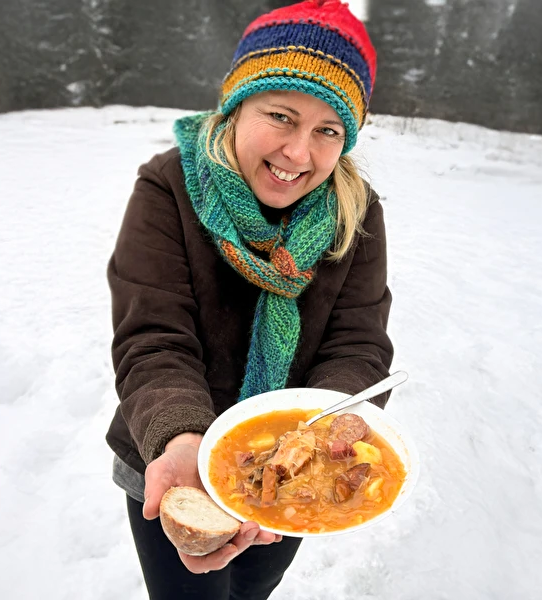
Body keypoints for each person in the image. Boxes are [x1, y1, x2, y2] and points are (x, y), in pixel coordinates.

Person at [106, 1, 393, 598]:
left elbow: (358, 340)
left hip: (293, 468)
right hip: (171, 457)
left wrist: (320, 439)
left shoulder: (355, 212)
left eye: (327, 130)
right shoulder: (168, 189)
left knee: (253, 586)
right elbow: (153, 336)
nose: (299, 153)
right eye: (281, 116)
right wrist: (184, 439)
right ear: (236, 107)